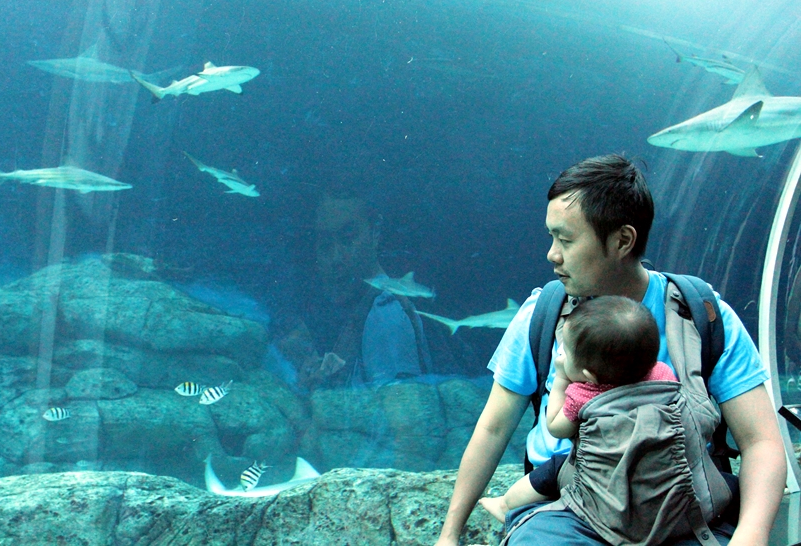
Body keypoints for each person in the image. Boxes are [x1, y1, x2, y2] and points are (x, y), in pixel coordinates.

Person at [434, 154, 786, 545]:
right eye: (552, 237)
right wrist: (449, 534)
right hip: (563, 512)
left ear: (622, 240)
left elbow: (760, 441)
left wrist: (751, 535)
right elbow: (493, 429)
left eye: (566, 239)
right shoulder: (542, 316)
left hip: (681, 509)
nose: (552, 254)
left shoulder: (701, 315)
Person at [478, 295, 675, 523]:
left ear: (588, 375)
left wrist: (561, 377)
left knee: (555, 468)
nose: (560, 353)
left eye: (565, 352)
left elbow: (556, 427)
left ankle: (505, 505)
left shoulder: (584, 394)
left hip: (602, 471)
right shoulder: (663, 373)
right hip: (654, 464)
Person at [277, 194, 433, 388]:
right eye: (325, 245)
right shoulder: (358, 310)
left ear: (375, 232)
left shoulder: (386, 315)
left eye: (347, 239)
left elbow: (399, 402)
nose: (335, 258)